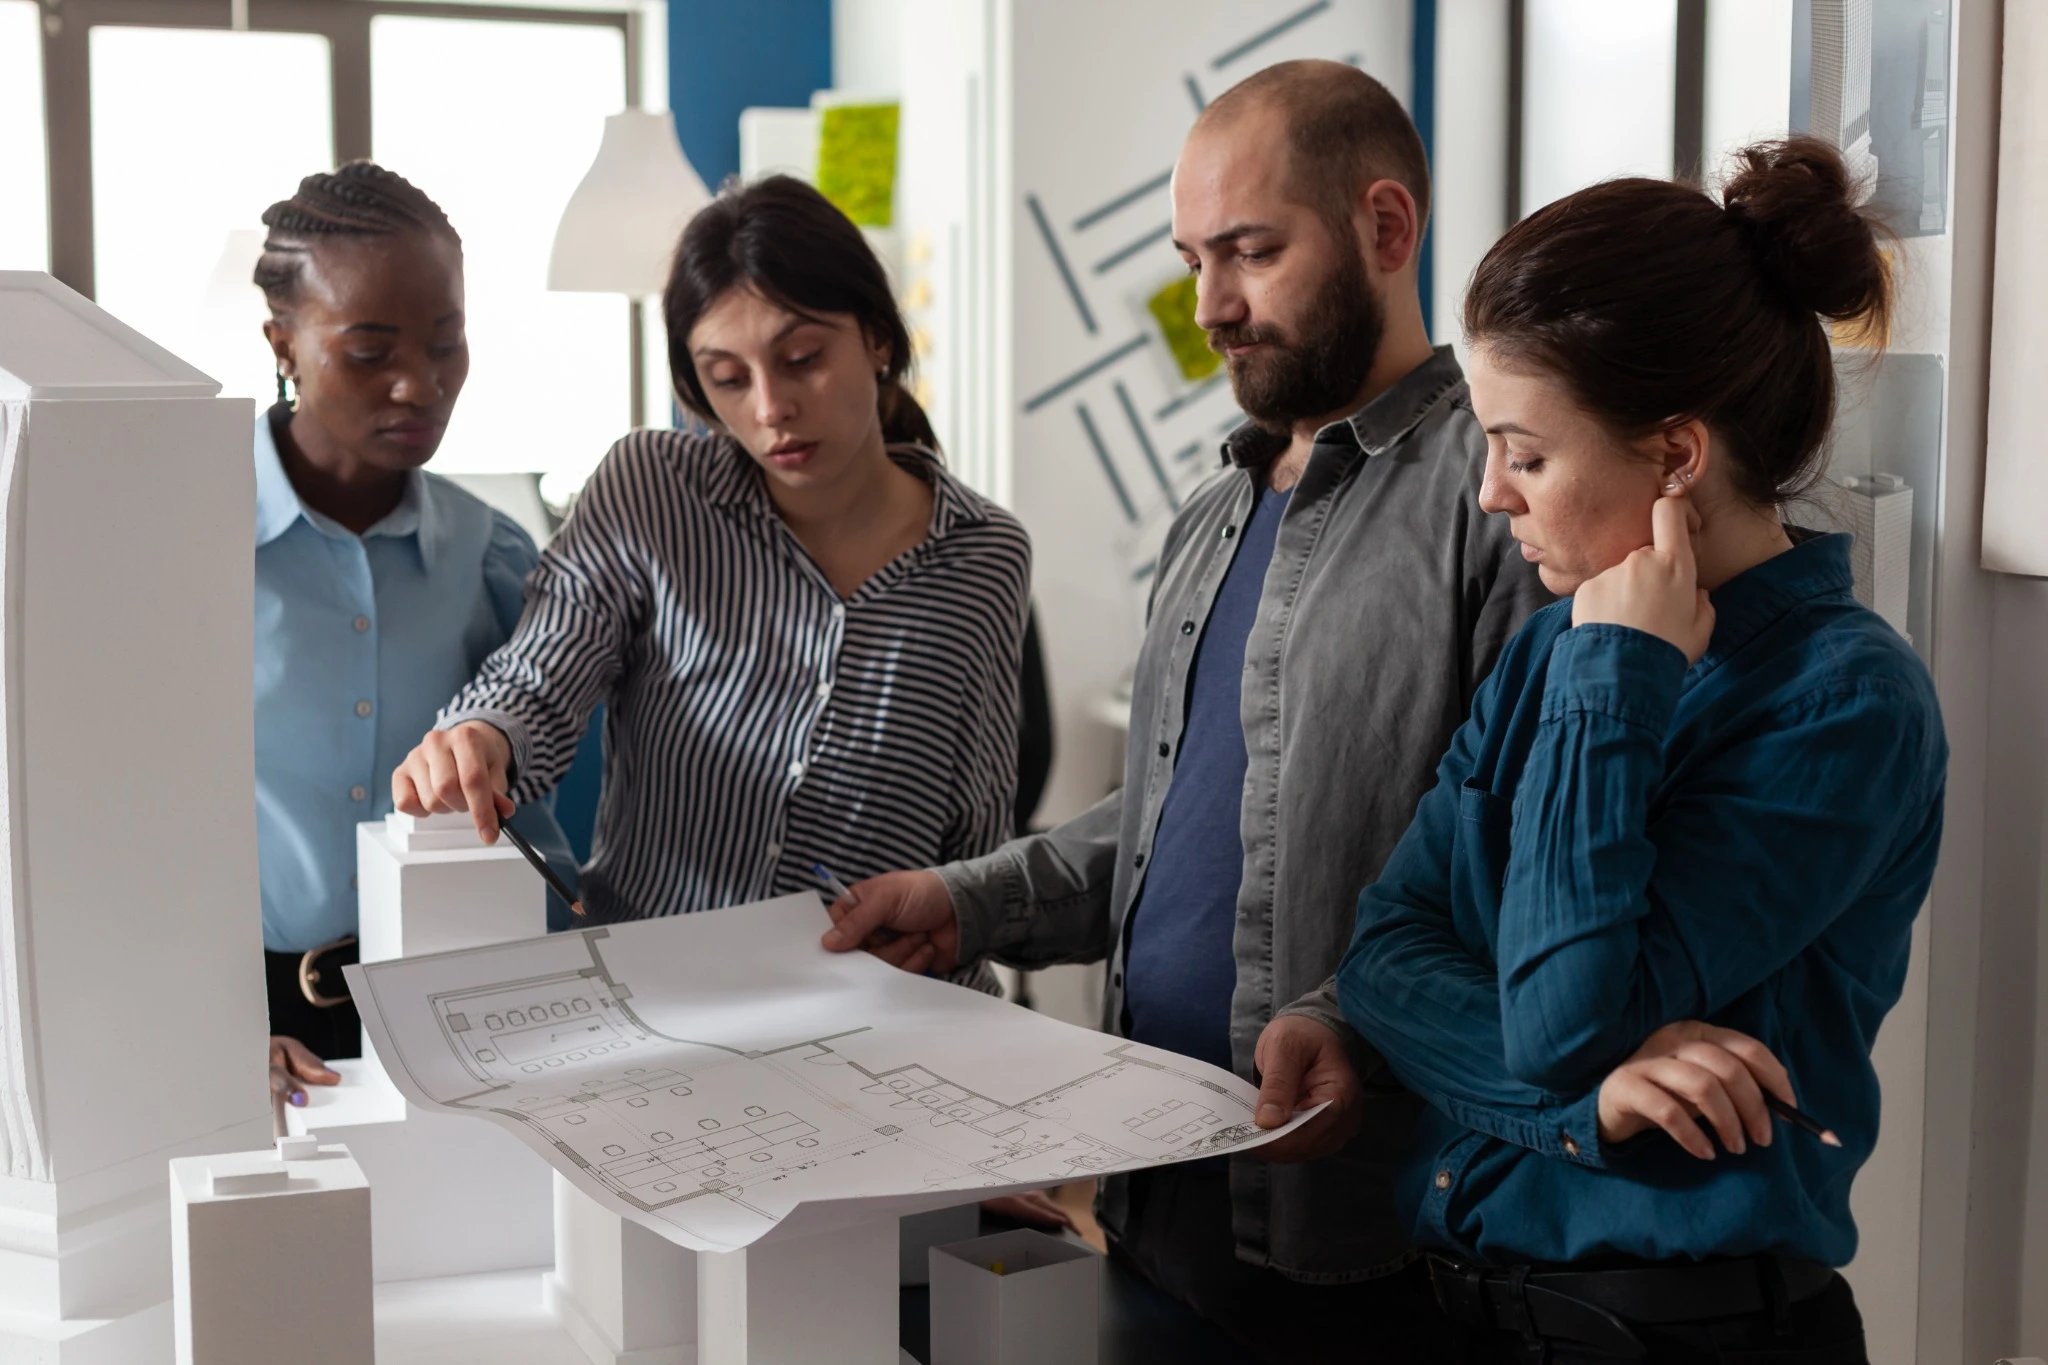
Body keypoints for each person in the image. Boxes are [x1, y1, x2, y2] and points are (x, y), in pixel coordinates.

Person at [820, 60, 1548, 1362]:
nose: (1210, 305)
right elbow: (1172, 822)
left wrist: (1358, 1020)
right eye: (1192, 258)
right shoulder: (1213, 515)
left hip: (1367, 1241)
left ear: (1386, 229)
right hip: (1155, 1204)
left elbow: (1525, 864)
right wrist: (968, 897)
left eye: (1251, 252)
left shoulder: (1496, 499)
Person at [1334, 137, 1947, 1364]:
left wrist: (1619, 676)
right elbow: (1382, 960)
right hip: (1462, 1309)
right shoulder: (1550, 648)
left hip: (1681, 1335)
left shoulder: (1844, 703)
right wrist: (1587, 1096)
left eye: (1527, 452)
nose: (1491, 497)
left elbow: (1562, 1016)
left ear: (1676, 455)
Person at [252, 162, 576, 1108]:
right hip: (255, 1023)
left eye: (447, 344)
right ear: (283, 342)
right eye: (370, 351)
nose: (419, 384)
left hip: (460, 1007)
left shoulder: (491, 551)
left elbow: (530, 788)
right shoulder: (182, 548)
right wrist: (197, 1019)